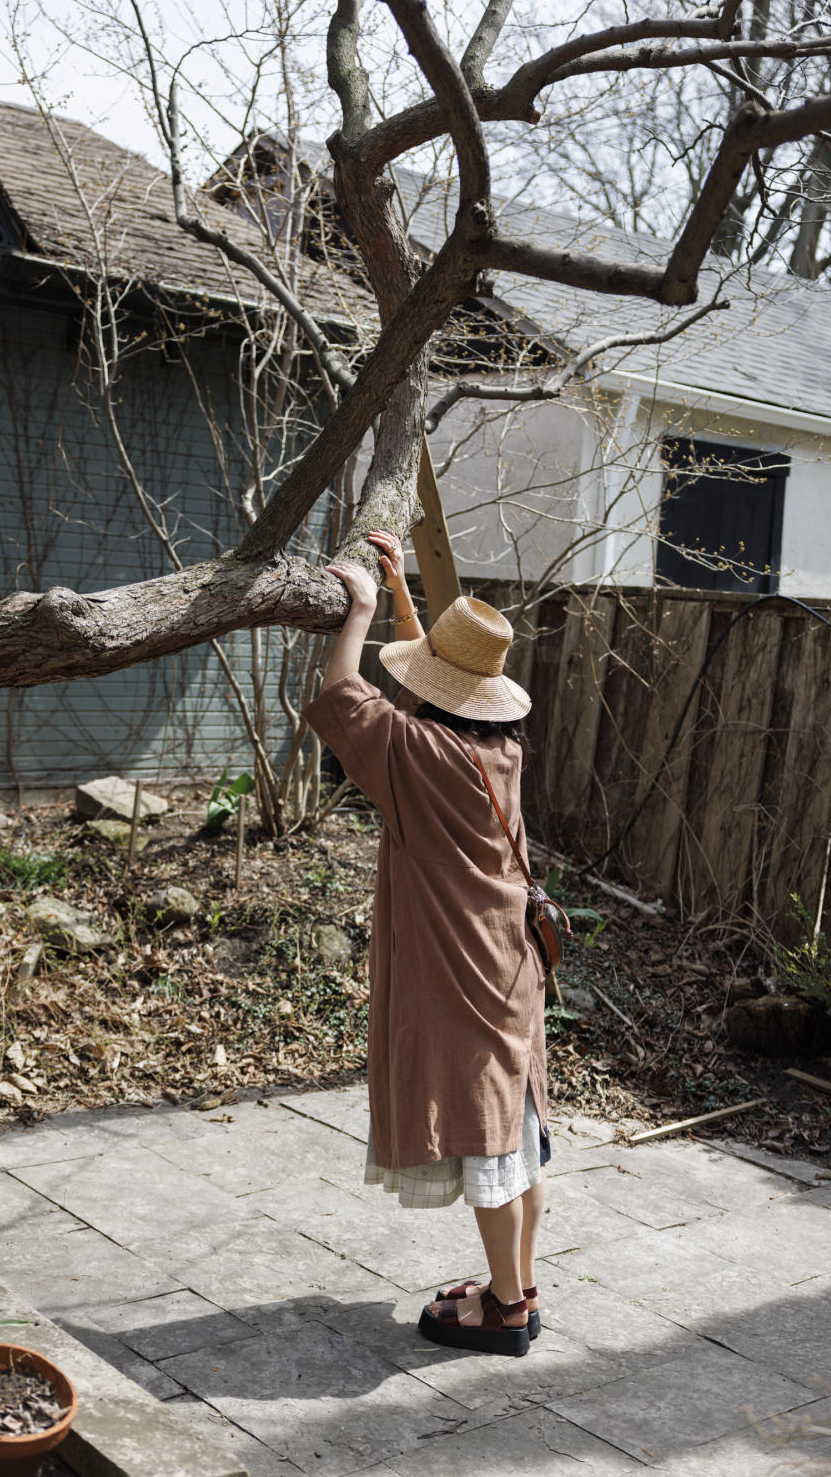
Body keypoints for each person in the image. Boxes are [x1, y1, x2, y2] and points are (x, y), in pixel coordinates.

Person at [301, 530, 549, 1359]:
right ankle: (516, 1286)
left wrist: (361, 611)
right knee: (519, 1135)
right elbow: (422, 697)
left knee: (488, 1143)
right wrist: (403, 595)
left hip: (458, 969)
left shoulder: (418, 753)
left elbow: (344, 695)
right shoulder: (494, 749)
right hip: (511, 962)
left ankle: (505, 1312)